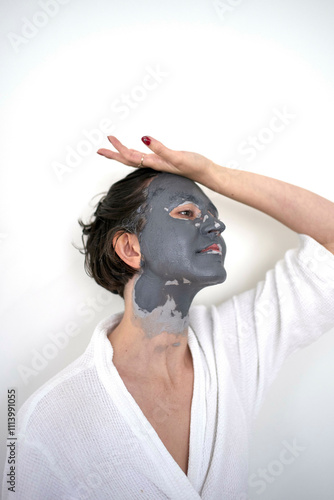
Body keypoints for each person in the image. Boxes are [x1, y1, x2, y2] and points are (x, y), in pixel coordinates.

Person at [3, 136, 334, 500]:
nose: (216, 226)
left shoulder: (235, 344)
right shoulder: (47, 422)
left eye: (214, 215)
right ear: (130, 247)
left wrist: (212, 173)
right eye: (187, 212)